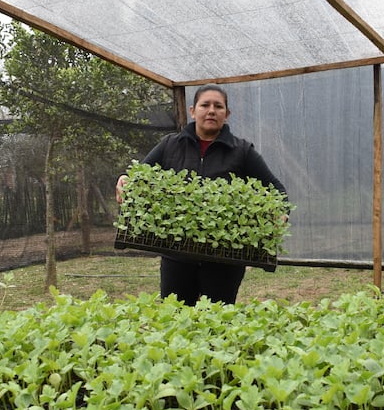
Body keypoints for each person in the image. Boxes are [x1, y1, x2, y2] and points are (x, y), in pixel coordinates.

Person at [115, 84, 287, 306]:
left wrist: (281, 212)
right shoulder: (170, 145)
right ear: (193, 111)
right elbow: (138, 177)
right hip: (176, 256)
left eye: (218, 106)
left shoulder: (242, 151)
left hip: (225, 260)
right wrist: (125, 180)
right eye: (205, 105)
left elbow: (276, 188)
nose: (212, 110)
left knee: (217, 322)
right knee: (175, 319)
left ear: (227, 114)